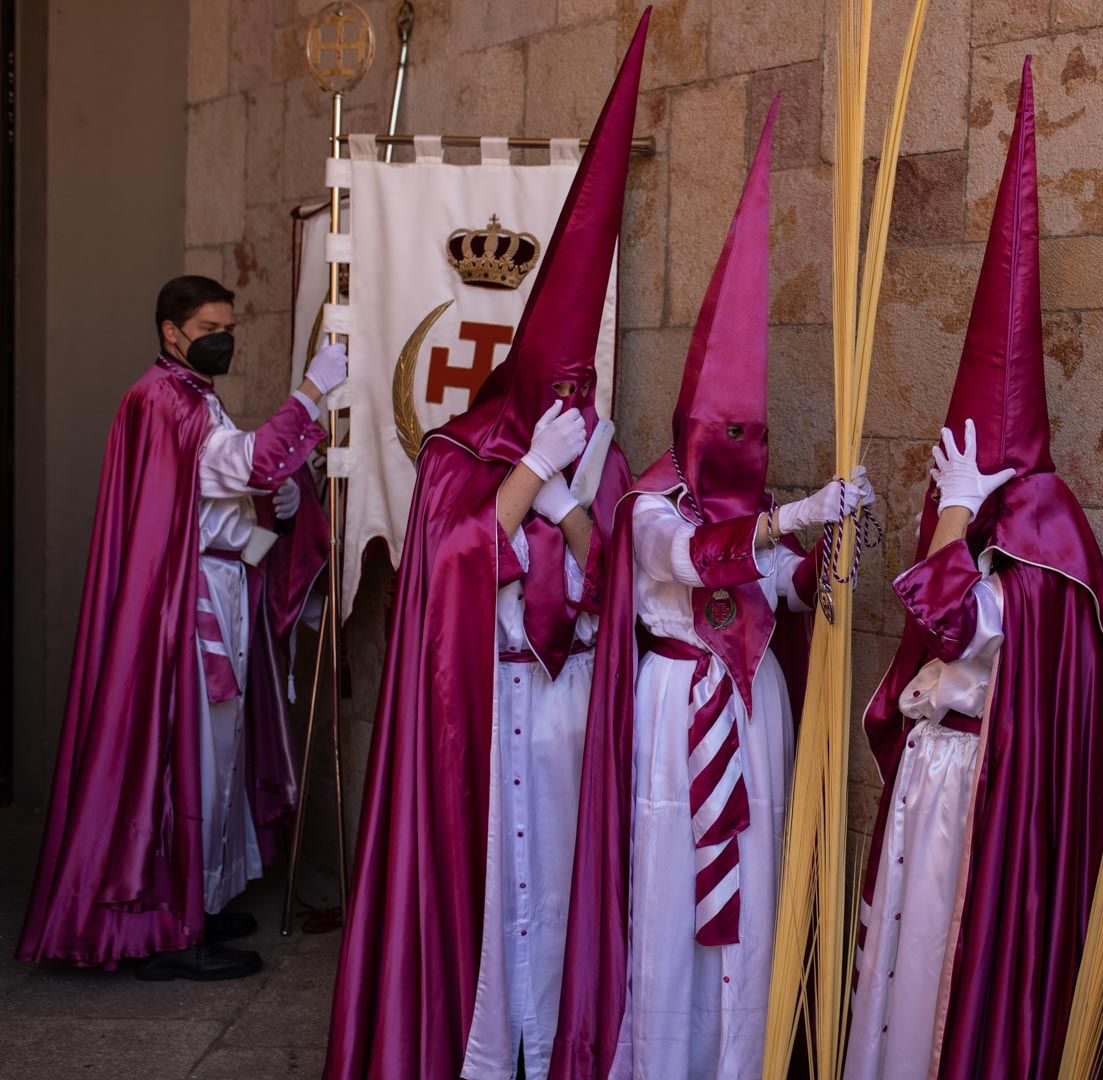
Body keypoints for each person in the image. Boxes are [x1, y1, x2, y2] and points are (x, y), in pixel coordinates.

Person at [322, 13, 648, 1080]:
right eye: (558, 389)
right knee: (487, 890)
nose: (574, 402)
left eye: (582, 390)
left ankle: (549, 1048)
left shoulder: (594, 447)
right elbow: (445, 568)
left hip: (563, 707)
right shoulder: (464, 448)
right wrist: (525, 482)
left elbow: (614, 575)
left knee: (553, 887)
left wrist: (572, 501)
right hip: (483, 708)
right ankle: (474, 1051)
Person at [550, 99, 873, 1080]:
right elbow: (695, 562)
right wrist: (792, 519)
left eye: (755, 431)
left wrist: (834, 550)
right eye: (728, 429)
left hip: (752, 708)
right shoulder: (653, 503)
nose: (746, 448)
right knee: (672, 885)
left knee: (757, 876)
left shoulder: (760, 502)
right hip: (677, 707)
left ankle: (746, 1060)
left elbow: (778, 582)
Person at [843, 58, 1103, 1080]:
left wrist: (961, 512)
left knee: (947, 974)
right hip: (935, 773)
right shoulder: (966, 514)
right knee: (898, 979)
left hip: (984, 795)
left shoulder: (1046, 531)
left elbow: (955, 618)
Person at [17, 274, 339, 981]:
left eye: (230, 325)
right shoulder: (162, 399)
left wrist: (276, 499)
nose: (225, 338)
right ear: (172, 331)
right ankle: (167, 928)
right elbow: (244, 464)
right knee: (187, 765)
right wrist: (310, 397)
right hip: (182, 611)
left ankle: (197, 900)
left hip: (213, 593)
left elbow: (225, 487)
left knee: (216, 762)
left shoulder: (189, 397)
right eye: (212, 327)